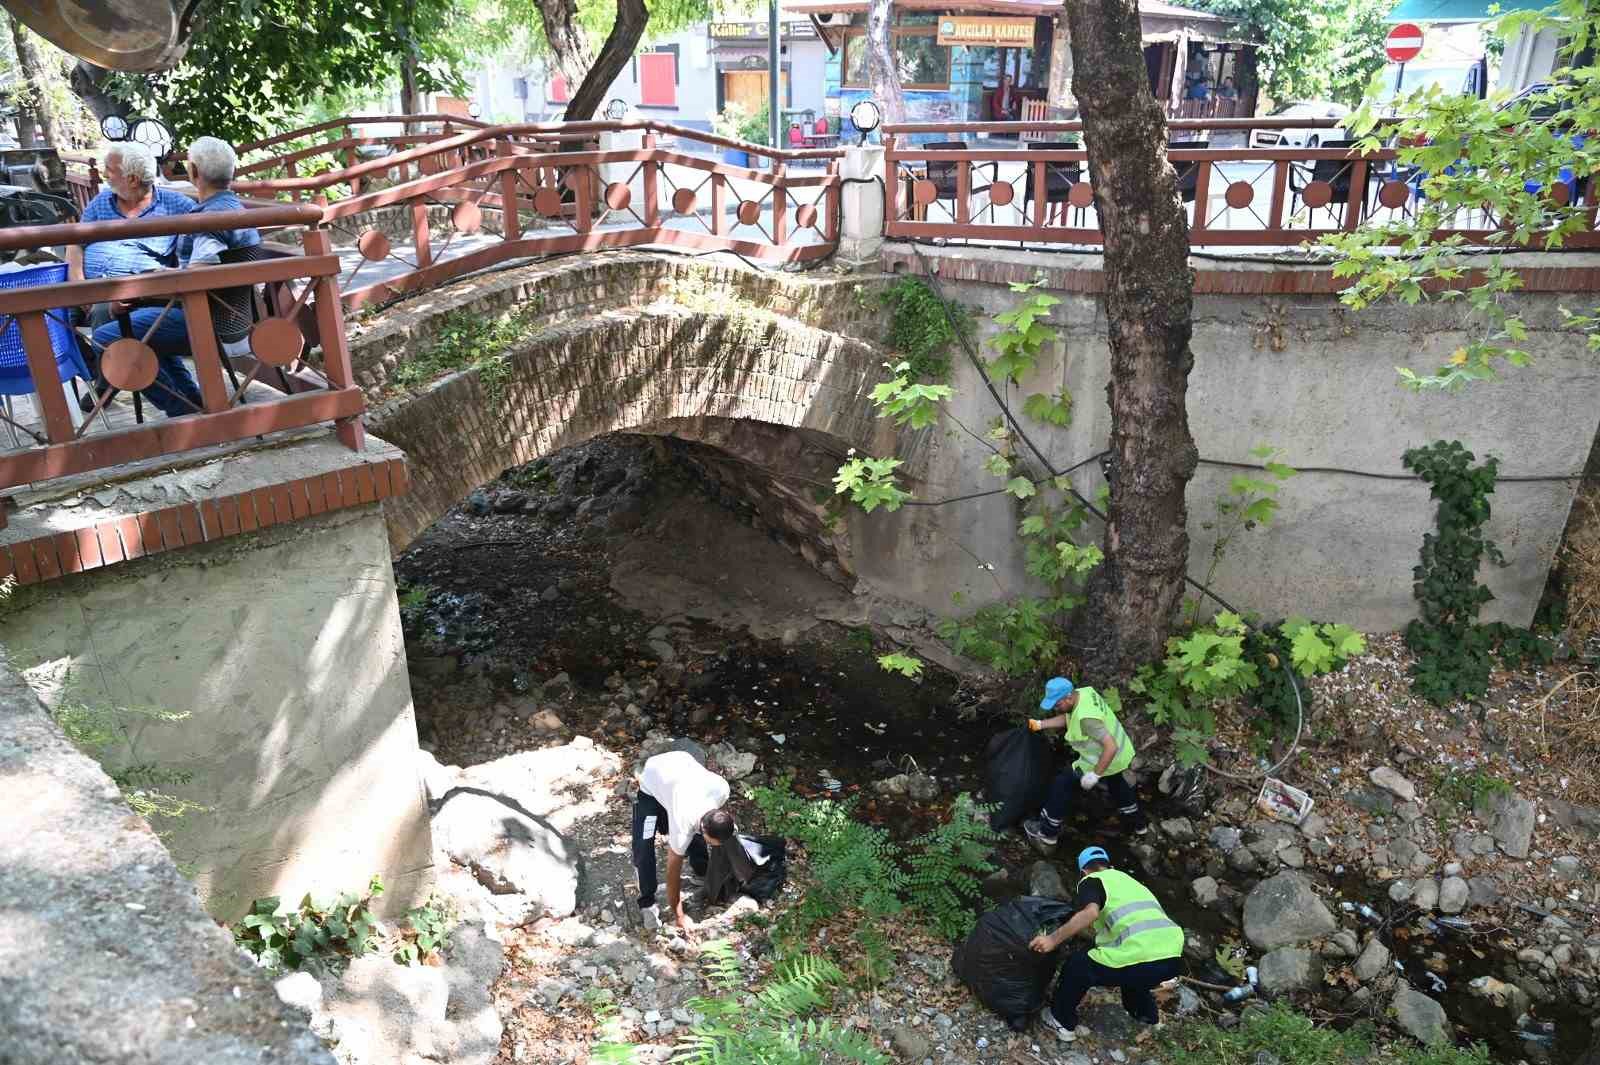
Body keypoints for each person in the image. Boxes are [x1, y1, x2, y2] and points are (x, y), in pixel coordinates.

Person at [88, 137, 262, 418]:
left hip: (208, 320)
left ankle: (179, 409)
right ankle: (191, 399)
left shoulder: (209, 219)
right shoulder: (234, 209)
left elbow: (197, 278)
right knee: (147, 324)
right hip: (231, 316)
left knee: (108, 338)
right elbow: (203, 272)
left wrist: (143, 289)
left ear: (193, 172)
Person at [1029, 847, 1184, 1042]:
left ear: (1084, 871)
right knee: (1136, 975)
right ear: (1109, 865)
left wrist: (1052, 939)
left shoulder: (1092, 881)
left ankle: (1060, 1021)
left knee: (1078, 965)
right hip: (1172, 956)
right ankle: (1149, 1021)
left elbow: (1091, 913)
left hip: (1142, 953)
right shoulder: (1131, 882)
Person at [1022, 676, 1148, 848]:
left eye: (1057, 704)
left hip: (1106, 757)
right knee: (1117, 784)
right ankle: (1139, 825)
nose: (1055, 708)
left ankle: (1047, 832)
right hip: (1122, 753)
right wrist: (1041, 724)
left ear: (1068, 697)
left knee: (1062, 784)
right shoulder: (1083, 693)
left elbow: (1110, 747)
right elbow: (1069, 717)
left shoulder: (1087, 719)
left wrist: (1095, 775)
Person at [633, 748, 732, 930]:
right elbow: (672, 874)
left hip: (680, 767)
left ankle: (702, 872)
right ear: (704, 826)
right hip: (653, 782)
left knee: (695, 836)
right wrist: (679, 916)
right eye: (711, 841)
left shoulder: (722, 790)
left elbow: (716, 828)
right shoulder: (682, 821)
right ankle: (646, 902)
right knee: (643, 846)